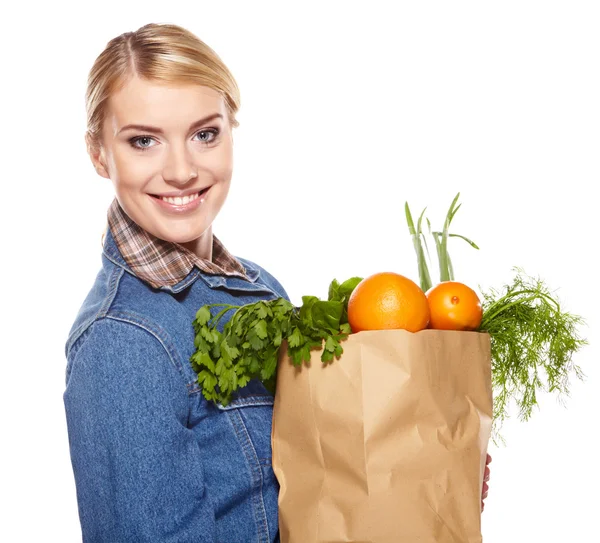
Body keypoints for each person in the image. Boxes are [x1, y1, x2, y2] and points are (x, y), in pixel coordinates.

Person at [63, 22, 491, 542]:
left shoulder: (261, 289)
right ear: (98, 153)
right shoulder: (123, 341)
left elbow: (315, 489)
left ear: (231, 130)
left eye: (205, 134)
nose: (181, 170)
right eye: (143, 141)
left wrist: (418, 471)